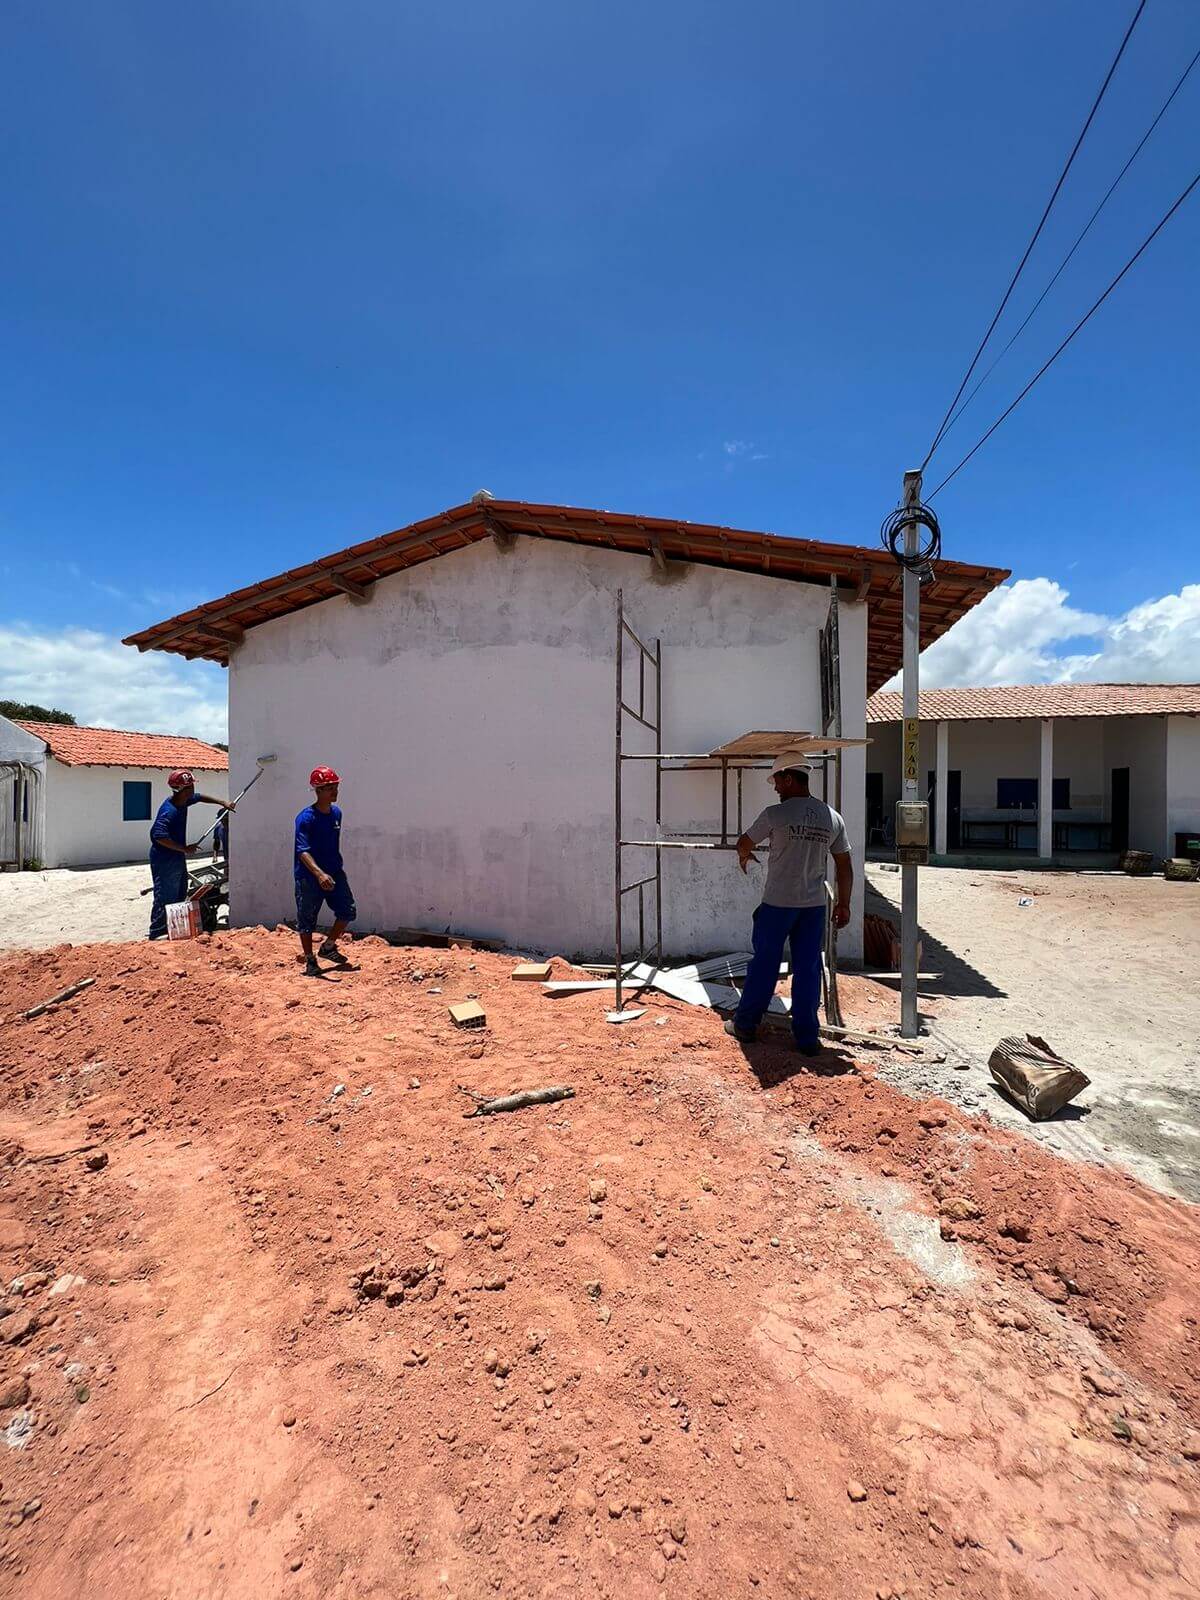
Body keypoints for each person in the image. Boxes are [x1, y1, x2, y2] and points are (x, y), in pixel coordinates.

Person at [725, 755, 853, 1055]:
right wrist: (844, 904)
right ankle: (807, 1039)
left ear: (789, 778)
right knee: (808, 969)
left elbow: (744, 842)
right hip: (813, 907)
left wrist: (744, 856)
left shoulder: (775, 814)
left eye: (777, 782)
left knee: (765, 965)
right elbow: (844, 865)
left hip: (778, 904)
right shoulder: (831, 817)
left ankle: (745, 1025)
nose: (775, 789)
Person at [148, 770, 234, 940]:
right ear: (185, 789)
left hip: (176, 856)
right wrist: (184, 849)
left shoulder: (184, 801)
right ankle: (157, 933)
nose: (194, 788)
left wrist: (222, 802)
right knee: (166, 895)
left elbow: (200, 797)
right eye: (192, 785)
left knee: (180, 893)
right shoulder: (169, 811)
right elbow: (158, 835)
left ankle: (174, 931)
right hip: (165, 859)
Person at [295, 766, 357, 978]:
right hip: (309, 877)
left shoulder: (337, 814)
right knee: (307, 920)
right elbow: (302, 851)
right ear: (319, 790)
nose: (335, 791)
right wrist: (319, 874)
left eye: (336, 787)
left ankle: (328, 947)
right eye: (331, 788)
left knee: (348, 911)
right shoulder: (305, 818)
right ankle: (310, 961)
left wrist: (331, 871)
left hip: (335, 873)